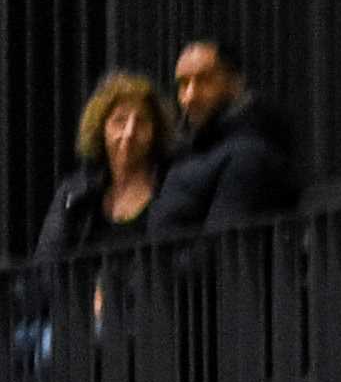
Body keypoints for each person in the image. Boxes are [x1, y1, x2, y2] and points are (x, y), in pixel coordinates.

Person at [31, 67, 176, 277]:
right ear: (101, 128)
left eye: (141, 121)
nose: (129, 133)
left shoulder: (170, 185)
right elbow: (46, 265)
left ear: (155, 131)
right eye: (120, 121)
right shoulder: (75, 193)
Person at [157, 34, 299, 225]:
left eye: (204, 80)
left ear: (236, 83)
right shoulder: (182, 153)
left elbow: (225, 244)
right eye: (183, 84)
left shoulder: (249, 151)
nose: (190, 96)